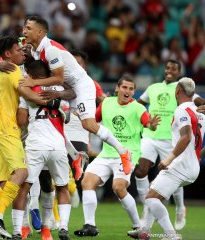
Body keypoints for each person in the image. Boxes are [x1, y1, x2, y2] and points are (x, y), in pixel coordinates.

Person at [21, 16, 132, 176]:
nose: (24, 31)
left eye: (28, 28)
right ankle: (76, 156)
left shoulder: (50, 49)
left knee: (89, 125)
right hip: (68, 87)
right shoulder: (35, 50)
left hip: (81, 86)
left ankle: (123, 151)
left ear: (40, 32)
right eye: (24, 28)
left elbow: (58, 78)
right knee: (56, 124)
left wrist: (32, 83)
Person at [0, 35, 49, 239]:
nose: (21, 52)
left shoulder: (5, 68)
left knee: (5, 183)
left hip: (3, 130)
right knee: (22, 173)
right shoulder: (12, 70)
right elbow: (28, 93)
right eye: (18, 50)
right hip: (7, 130)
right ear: (8, 54)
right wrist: (53, 101)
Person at [74, 75, 160, 237]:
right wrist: (78, 115)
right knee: (87, 182)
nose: (128, 91)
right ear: (117, 89)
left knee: (118, 188)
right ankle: (90, 225)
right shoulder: (106, 103)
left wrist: (152, 125)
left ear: (134, 91)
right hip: (107, 153)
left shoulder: (138, 108)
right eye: (124, 87)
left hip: (127, 155)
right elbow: (93, 122)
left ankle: (138, 227)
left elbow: (147, 123)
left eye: (131, 88)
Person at [128, 77, 205, 240]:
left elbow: (185, 137)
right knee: (153, 191)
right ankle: (145, 230)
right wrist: (197, 155)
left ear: (177, 91)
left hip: (180, 164)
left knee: (150, 199)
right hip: (193, 167)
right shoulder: (200, 112)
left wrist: (168, 159)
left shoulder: (181, 110)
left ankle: (171, 235)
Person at [13, 60, 76, 240]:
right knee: (62, 187)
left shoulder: (26, 92)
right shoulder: (59, 92)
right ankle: (61, 228)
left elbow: (21, 121)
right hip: (57, 146)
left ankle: (18, 230)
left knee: (24, 187)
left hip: (35, 145)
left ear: (30, 76)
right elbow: (68, 118)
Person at [134, 59, 187, 230]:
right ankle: (146, 209)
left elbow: (197, 100)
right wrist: (144, 117)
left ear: (179, 73)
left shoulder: (181, 88)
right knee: (141, 170)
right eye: (167, 67)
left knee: (174, 176)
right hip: (150, 135)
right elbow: (139, 104)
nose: (169, 70)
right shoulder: (153, 87)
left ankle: (180, 208)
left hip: (170, 140)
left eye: (174, 68)